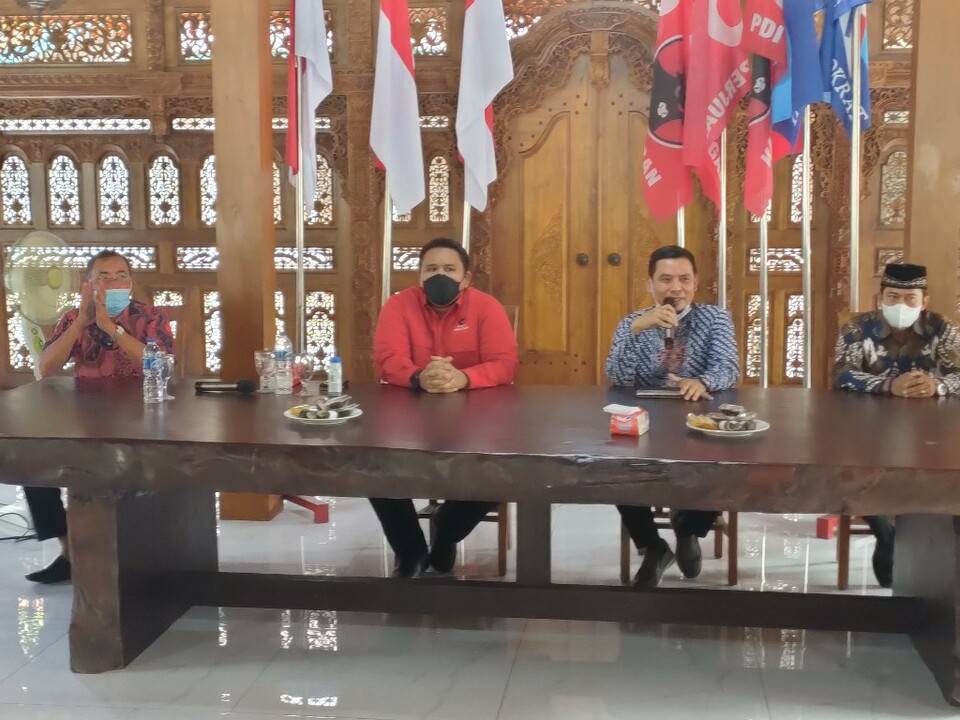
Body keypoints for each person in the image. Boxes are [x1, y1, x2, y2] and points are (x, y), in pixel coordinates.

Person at [23, 250, 174, 584]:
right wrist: (82, 323)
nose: (113, 283)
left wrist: (111, 328)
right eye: (103, 277)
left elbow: (162, 366)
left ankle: (142, 554)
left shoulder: (150, 316)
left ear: (131, 282)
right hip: (85, 420)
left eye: (121, 276)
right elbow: (46, 369)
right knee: (31, 460)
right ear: (88, 284)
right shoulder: (74, 318)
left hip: (140, 420)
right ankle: (70, 551)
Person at [371, 237, 518, 578]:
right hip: (410, 413)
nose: (440, 275)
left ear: (466, 278)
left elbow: (505, 363)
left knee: (505, 470)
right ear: (420, 275)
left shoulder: (486, 307)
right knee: (374, 465)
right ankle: (410, 551)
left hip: (477, 417)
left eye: (450, 269)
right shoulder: (398, 306)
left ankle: (447, 528)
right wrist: (419, 376)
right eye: (431, 269)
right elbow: (387, 359)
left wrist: (463, 378)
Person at [606, 245, 740, 588]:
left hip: (698, 417)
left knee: (720, 464)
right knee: (617, 465)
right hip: (646, 417)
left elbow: (728, 368)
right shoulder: (632, 322)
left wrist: (703, 381)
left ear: (695, 283)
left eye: (684, 279)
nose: (675, 288)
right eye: (666, 280)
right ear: (651, 284)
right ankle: (652, 546)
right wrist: (637, 330)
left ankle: (688, 529)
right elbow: (617, 376)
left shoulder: (714, 319)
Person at [832, 262, 960, 588]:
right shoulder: (857, 329)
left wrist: (937, 385)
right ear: (880, 298)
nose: (901, 305)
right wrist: (888, 385)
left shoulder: (942, 329)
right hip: (866, 427)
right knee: (854, 470)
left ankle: (919, 539)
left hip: (930, 431)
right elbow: (841, 375)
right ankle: (884, 532)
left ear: (924, 301)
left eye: (910, 298)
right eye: (893, 297)